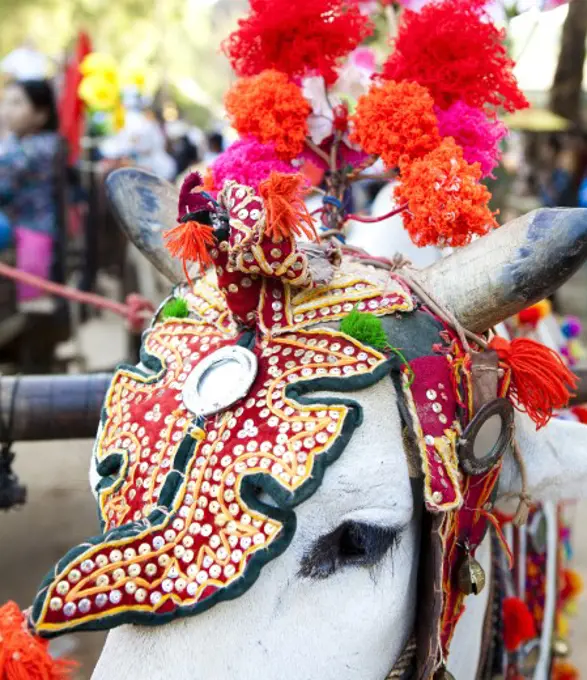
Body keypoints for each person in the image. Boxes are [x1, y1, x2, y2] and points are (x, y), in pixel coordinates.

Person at [0, 78, 60, 302]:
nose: (6, 110)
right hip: (18, 224)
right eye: (5, 102)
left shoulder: (40, 146)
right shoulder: (20, 142)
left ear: (41, 114)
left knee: (31, 301)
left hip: (34, 230)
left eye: (16, 103)